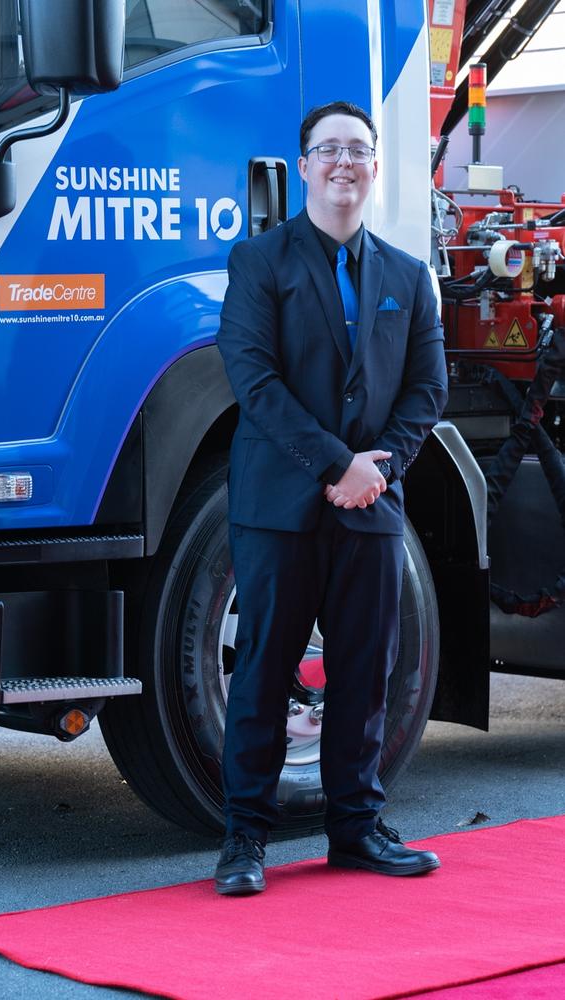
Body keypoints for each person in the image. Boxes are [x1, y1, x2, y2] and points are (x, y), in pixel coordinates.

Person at [214, 101, 448, 895]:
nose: (343, 162)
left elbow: (428, 388)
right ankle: (245, 839)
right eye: (328, 150)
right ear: (304, 165)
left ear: (376, 166)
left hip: (373, 506)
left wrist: (377, 472)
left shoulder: (410, 277)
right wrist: (335, 464)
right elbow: (252, 378)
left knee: (363, 673)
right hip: (279, 503)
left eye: (358, 150)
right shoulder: (259, 262)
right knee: (261, 672)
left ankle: (355, 829)